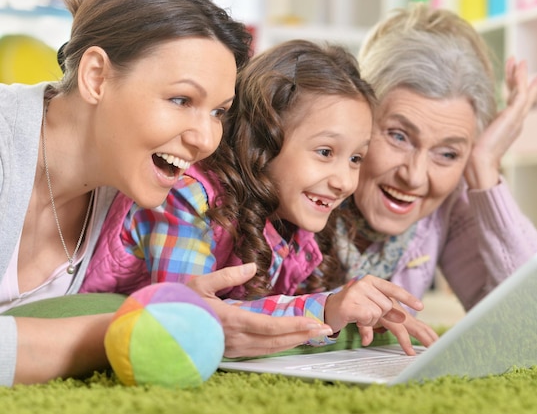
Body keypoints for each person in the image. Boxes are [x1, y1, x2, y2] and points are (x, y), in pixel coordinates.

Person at [0, 0, 332, 387]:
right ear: (96, 77)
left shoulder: (122, 195)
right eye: (180, 100)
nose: (206, 140)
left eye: (218, 112)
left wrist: (177, 312)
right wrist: (143, 326)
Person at [82, 39, 438, 353]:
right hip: (92, 330)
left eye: (356, 158)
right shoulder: (189, 196)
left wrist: (360, 312)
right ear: (263, 143)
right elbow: (183, 318)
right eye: (325, 152)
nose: (345, 182)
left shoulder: (293, 224)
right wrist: (327, 308)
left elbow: (272, 307)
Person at [334, 2, 537, 324]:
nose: (415, 177)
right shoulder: (308, 181)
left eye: (448, 154)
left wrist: (485, 167)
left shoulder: (448, 206)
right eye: (398, 136)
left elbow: (533, 317)